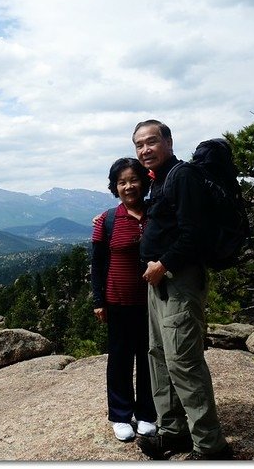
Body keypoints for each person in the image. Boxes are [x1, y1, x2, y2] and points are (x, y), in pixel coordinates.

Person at [131, 119, 233, 460]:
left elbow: (195, 233)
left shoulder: (182, 176)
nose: (145, 150)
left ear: (168, 142)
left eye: (151, 141)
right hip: (160, 283)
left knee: (184, 362)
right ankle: (173, 431)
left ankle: (210, 445)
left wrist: (163, 264)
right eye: (139, 145)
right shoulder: (159, 181)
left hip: (179, 280)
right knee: (158, 357)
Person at [91, 158, 157, 442]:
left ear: (144, 181)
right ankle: (119, 415)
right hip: (117, 300)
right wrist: (99, 300)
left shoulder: (157, 212)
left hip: (153, 301)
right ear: (114, 187)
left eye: (133, 179)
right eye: (122, 182)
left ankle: (146, 413)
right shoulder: (107, 221)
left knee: (148, 358)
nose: (128, 186)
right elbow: (98, 264)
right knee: (119, 359)